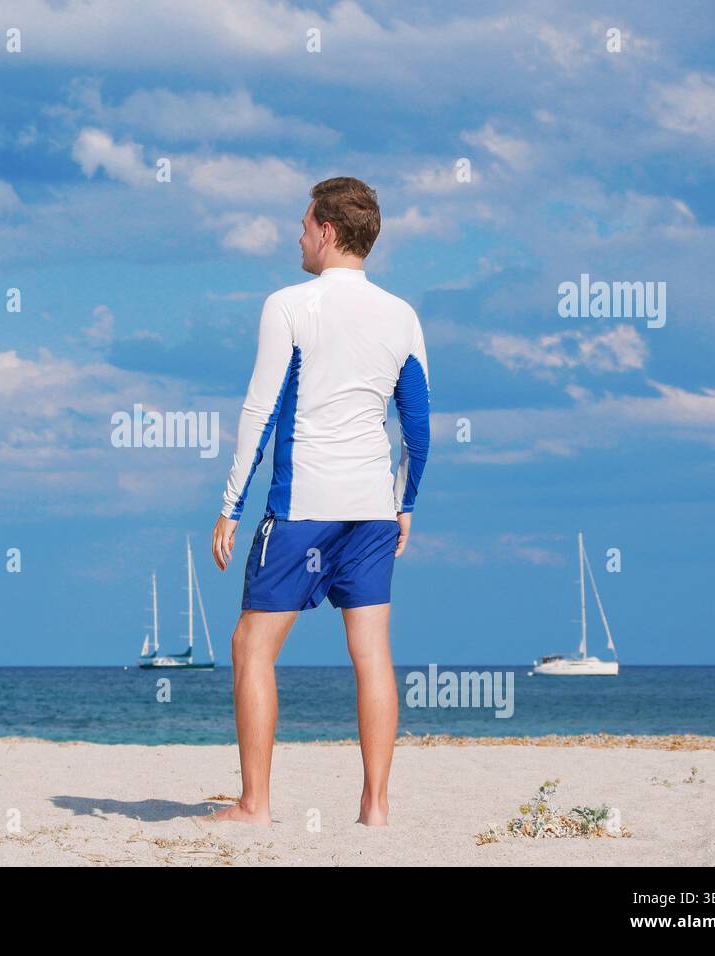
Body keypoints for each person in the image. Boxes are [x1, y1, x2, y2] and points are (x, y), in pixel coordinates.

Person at [209, 176, 430, 827]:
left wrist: (230, 504)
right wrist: (404, 502)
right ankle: (376, 808)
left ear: (329, 231)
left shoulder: (289, 305)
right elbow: (416, 425)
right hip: (370, 508)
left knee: (252, 646)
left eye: (305, 224)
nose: (298, 234)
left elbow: (261, 408)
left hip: (304, 504)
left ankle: (255, 805)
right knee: (372, 653)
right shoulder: (402, 314)